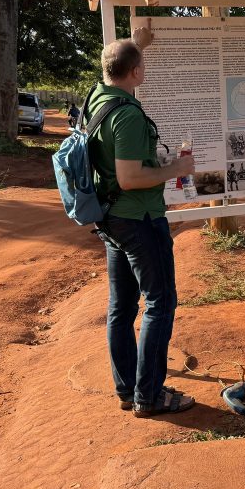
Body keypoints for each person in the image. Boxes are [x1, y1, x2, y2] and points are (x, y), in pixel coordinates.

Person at [86, 33, 196, 417]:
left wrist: (137, 45)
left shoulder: (97, 98)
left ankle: (127, 389)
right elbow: (130, 177)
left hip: (112, 219)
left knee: (121, 307)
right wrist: (176, 168)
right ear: (136, 72)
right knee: (160, 303)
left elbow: (116, 62)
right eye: (141, 65)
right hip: (140, 220)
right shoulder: (129, 115)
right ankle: (149, 396)